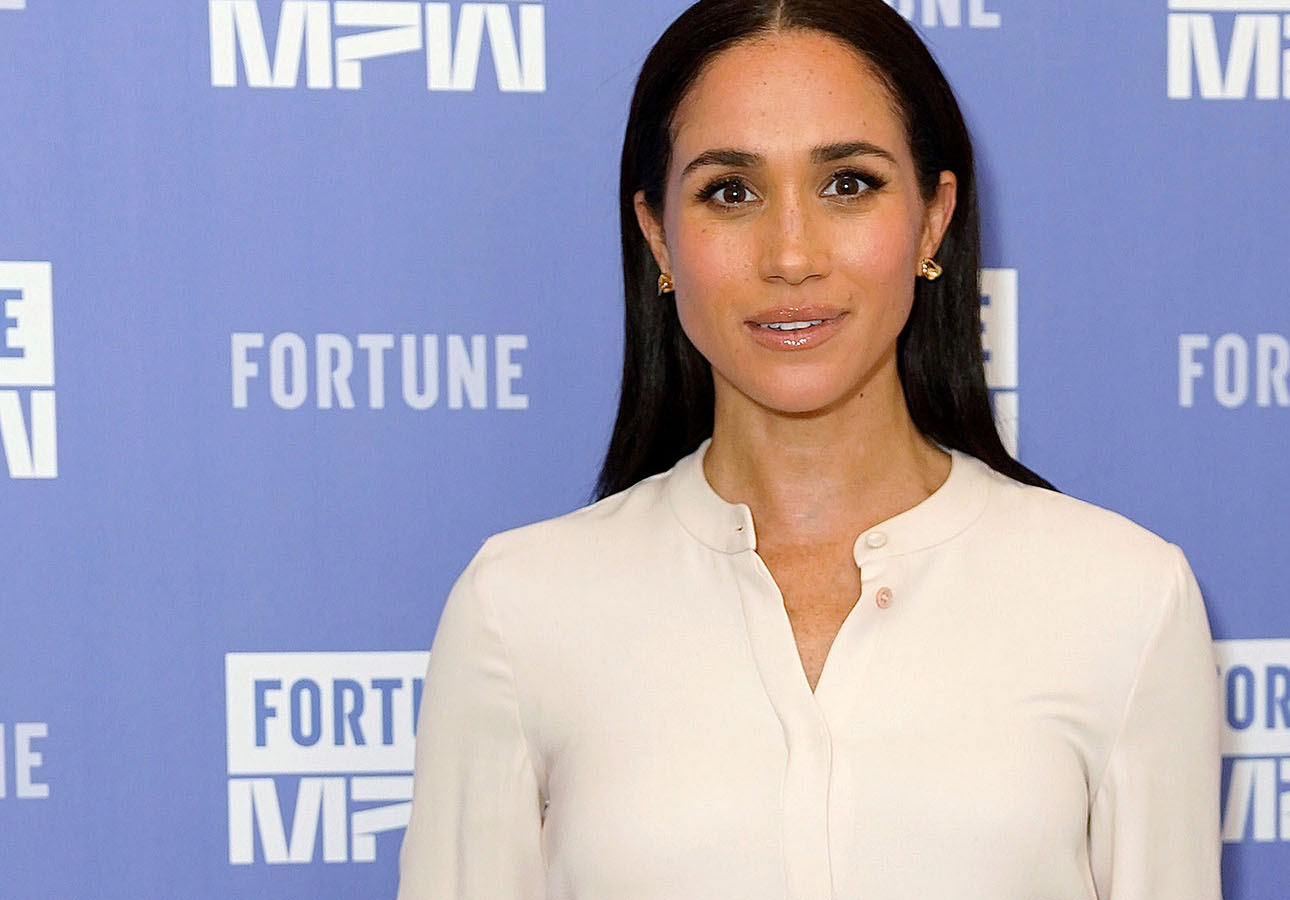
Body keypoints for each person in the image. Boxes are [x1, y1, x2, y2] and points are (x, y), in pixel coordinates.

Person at [397, 1, 1221, 897]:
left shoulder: (1125, 599)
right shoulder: (518, 610)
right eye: (731, 192)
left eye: (848, 184)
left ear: (934, 219)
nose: (791, 255)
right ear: (658, 235)